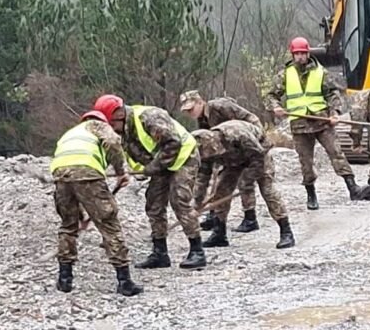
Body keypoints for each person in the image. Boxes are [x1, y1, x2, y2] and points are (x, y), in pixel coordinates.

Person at [92, 94, 207, 270]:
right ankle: (160, 253)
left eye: (112, 124)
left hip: (184, 156)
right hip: (162, 163)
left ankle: (197, 251)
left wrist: (152, 168)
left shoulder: (149, 117)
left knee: (180, 201)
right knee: (153, 204)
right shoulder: (122, 130)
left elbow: (173, 143)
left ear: (119, 115)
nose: (111, 129)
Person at [49, 110, 142, 296]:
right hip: (88, 175)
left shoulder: (71, 133)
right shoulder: (97, 125)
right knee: (109, 225)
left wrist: (81, 215)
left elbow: (71, 172)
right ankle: (124, 281)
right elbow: (114, 142)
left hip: (60, 176)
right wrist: (120, 172)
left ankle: (64, 280)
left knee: (68, 226)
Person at [267, 36, 363, 210]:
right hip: (299, 125)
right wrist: (276, 107)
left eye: (303, 53)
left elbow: (332, 94)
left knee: (336, 153)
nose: (300, 57)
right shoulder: (285, 74)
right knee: (306, 162)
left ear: (308, 53)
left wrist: (334, 113)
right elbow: (271, 95)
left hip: (322, 122)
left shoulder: (320, 72)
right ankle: (311, 195)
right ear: (292, 55)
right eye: (297, 54)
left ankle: (352, 186)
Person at [191, 121, 295, 249]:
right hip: (234, 161)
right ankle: (219, 234)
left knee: (267, 190)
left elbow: (258, 157)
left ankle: (286, 231)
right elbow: (203, 178)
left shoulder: (236, 134)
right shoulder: (203, 151)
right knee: (220, 192)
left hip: (259, 156)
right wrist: (197, 203)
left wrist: (247, 181)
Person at [179, 90, 262, 233]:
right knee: (219, 182)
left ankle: (250, 217)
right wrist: (196, 203)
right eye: (187, 111)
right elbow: (207, 159)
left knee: (246, 179)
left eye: (191, 109)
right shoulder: (202, 121)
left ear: (200, 102)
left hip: (248, 139)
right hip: (226, 148)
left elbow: (248, 118)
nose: (190, 113)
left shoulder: (218, 106)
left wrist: (258, 136)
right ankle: (215, 216)